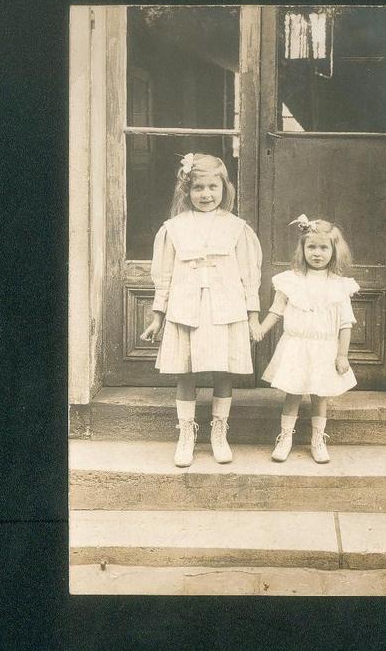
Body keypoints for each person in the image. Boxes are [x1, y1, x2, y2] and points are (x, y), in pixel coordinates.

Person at [141, 153, 262, 468]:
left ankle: (219, 430)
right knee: (187, 370)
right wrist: (158, 315)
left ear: (224, 188)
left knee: (223, 370)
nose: (206, 194)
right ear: (186, 190)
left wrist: (253, 315)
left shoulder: (237, 228)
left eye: (212, 187)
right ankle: (186, 432)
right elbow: (164, 275)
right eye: (198, 188)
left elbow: (250, 276)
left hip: (225, 309)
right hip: (187, 307)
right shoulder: (174, 228)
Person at [252, 214, 359, 464]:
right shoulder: (291, 280)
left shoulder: (339, 286)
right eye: (311, 247)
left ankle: (318, 439)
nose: (317, 253)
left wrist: (342, 355)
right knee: (293, 393)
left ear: (334, 251)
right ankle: (285, 437)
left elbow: (345, 324)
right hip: (296, 346)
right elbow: (276, 311)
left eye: (324, 248)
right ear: (302, 249)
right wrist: (260, 329)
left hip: (325, 348)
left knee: (320, 395)